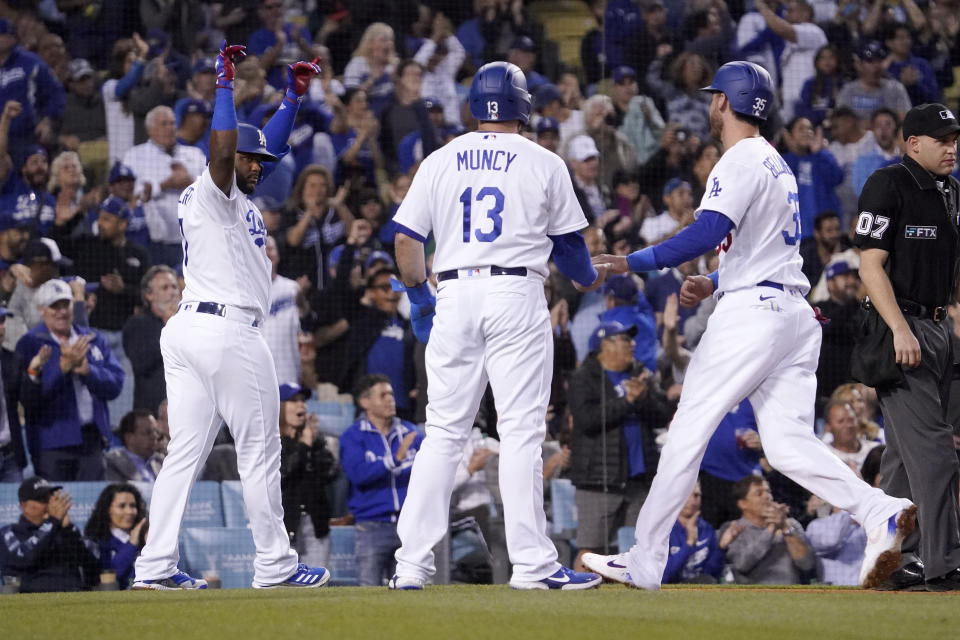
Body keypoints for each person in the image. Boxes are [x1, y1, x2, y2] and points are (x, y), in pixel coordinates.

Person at [582, 60, 916, 591]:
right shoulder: (776, 163)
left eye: (716, 97)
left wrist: (628, 262)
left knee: (688, 427)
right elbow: (763, 248)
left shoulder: (737, 159)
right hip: (791, 316)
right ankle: (878, 508)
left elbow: (704, 231)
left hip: (755, 318)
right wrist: (715, 282)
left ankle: (645, 558)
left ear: (724, 102)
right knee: (784, 445)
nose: (712, 104)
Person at [388, 61, 608, 591]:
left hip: (455, 292)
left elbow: (404, 242)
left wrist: (420, 298)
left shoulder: (441, 158)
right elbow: (574, 254)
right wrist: (585, 278)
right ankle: (532, 566)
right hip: (515, 292)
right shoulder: (544, 160)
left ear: (473, 105)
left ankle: (410, 567)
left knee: (442, 434)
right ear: (522, 105)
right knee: (521, 434)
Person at [131, 42, 328, 591]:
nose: (257, 167)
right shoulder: (213, 189)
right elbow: (224, 150)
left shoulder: (239, 196)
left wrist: (292, 96)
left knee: (185, 455)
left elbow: (268, 143)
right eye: (249, 160)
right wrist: (225, 82)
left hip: (194, 330)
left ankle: (154, 567)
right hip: (226, 331)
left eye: (259, 162)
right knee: (260, 448)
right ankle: (275, 564)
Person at [854, 102, 960, 591]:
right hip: (901, 329)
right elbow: (870, 265)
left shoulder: (951, 192)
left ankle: (894, 559)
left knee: (901, 455)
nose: (952, 147)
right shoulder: (888, 184)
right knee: (937, 453)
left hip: (940, 329)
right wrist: (900, 329)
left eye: (955, 140)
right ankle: (945, 564)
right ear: (912, 143)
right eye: (942, 140)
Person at [566, 322, 672, 571]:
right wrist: (627, 401)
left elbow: (662, 415)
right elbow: (587, 419)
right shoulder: (584, 377)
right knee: (591, 550)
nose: (632, 344)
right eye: (625, 339)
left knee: (642, 547)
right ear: (606, 345)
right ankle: (577, 599)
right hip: (598, 480)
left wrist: (643, 397)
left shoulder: (640, 372)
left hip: (638, 479)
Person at [16, 278, 124, 482]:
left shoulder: (92, 338)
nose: (61, 312)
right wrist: (62, 369)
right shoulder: (29, 344)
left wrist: (88, 371)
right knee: (57, 505)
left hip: (92, 440)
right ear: (41, 310)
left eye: (65, 304)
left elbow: (116, 383)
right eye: (54, 306)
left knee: (93, 505)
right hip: (52, 444)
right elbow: (30, 401)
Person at [339, 375, 422, 586]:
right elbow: (358, 474)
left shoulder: (412, 433)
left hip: (409, 525)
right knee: (369, 592)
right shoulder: (353, 436)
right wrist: (395, 460)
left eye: (391, 394)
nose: (390, 400)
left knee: (410, 592)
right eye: (383, 395)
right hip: (372, 527)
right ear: (364, 402)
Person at [0, 477, 99, 592]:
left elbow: (92, 564)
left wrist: (68, 529)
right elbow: (23, 559)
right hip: (33, 601)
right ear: (24, 506)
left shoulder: (66, 530)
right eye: (42, 500)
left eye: (50, 498)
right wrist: (52, 522)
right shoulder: (9, 532)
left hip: (74, 598)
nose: (49, 505)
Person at [717, 475, 816, 584]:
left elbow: (807, 564)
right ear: (743, 503)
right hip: (753, 596)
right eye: (759, 493)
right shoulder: (733, 529)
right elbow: (742, 565)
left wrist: (785, 528)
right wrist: (771, 528)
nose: (767, 496)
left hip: (791, 595)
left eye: (768, 492)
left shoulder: (791, 525)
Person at [278, 383, 336, 569]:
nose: (301, 405)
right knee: (282, 588)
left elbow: (330, 474)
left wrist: (315, 443)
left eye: (303, 401)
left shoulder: (313, 440)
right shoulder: (271, 441)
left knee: (317, 586)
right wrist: (304, 446)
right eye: (294, 401)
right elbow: (283, 474)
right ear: (279, 407)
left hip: (315, 525)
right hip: (284, 527)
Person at [122, 265, 180, 414]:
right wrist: (169, 326)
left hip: (188, 405)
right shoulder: (137, 324)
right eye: (164, 288)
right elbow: (141, 362)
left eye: (174, 287)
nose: (172, 293)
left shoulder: (189, 324)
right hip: (152, 412)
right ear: (149, 295)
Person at [83, 482, 148, 589]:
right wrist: (131, 544)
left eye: (133, 506)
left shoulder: (145, 538)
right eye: (121, 506)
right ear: (107, 509)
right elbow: (110, 577)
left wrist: (153, 544)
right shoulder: (97, 543)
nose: (129, 511)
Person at [662, 482, 723, 584]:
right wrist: (689, 544)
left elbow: (713, 574)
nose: (692, 500)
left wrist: (721, 548)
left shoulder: (708, 530)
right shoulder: (663, 531)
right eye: (686, 494)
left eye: (696, 495)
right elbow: (663, 577)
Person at [0, 306, 25, 482]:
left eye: (2, 321)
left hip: (10, 455)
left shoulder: (14, 360)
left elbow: (30, 400)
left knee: (18, 509)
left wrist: (33, 372)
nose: (1, 327)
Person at [105, 409, 162, 483]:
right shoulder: (112, 462)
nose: (155, 436)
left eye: (156, 432)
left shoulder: (161, 461)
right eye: (148, 432)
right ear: (129, 438)